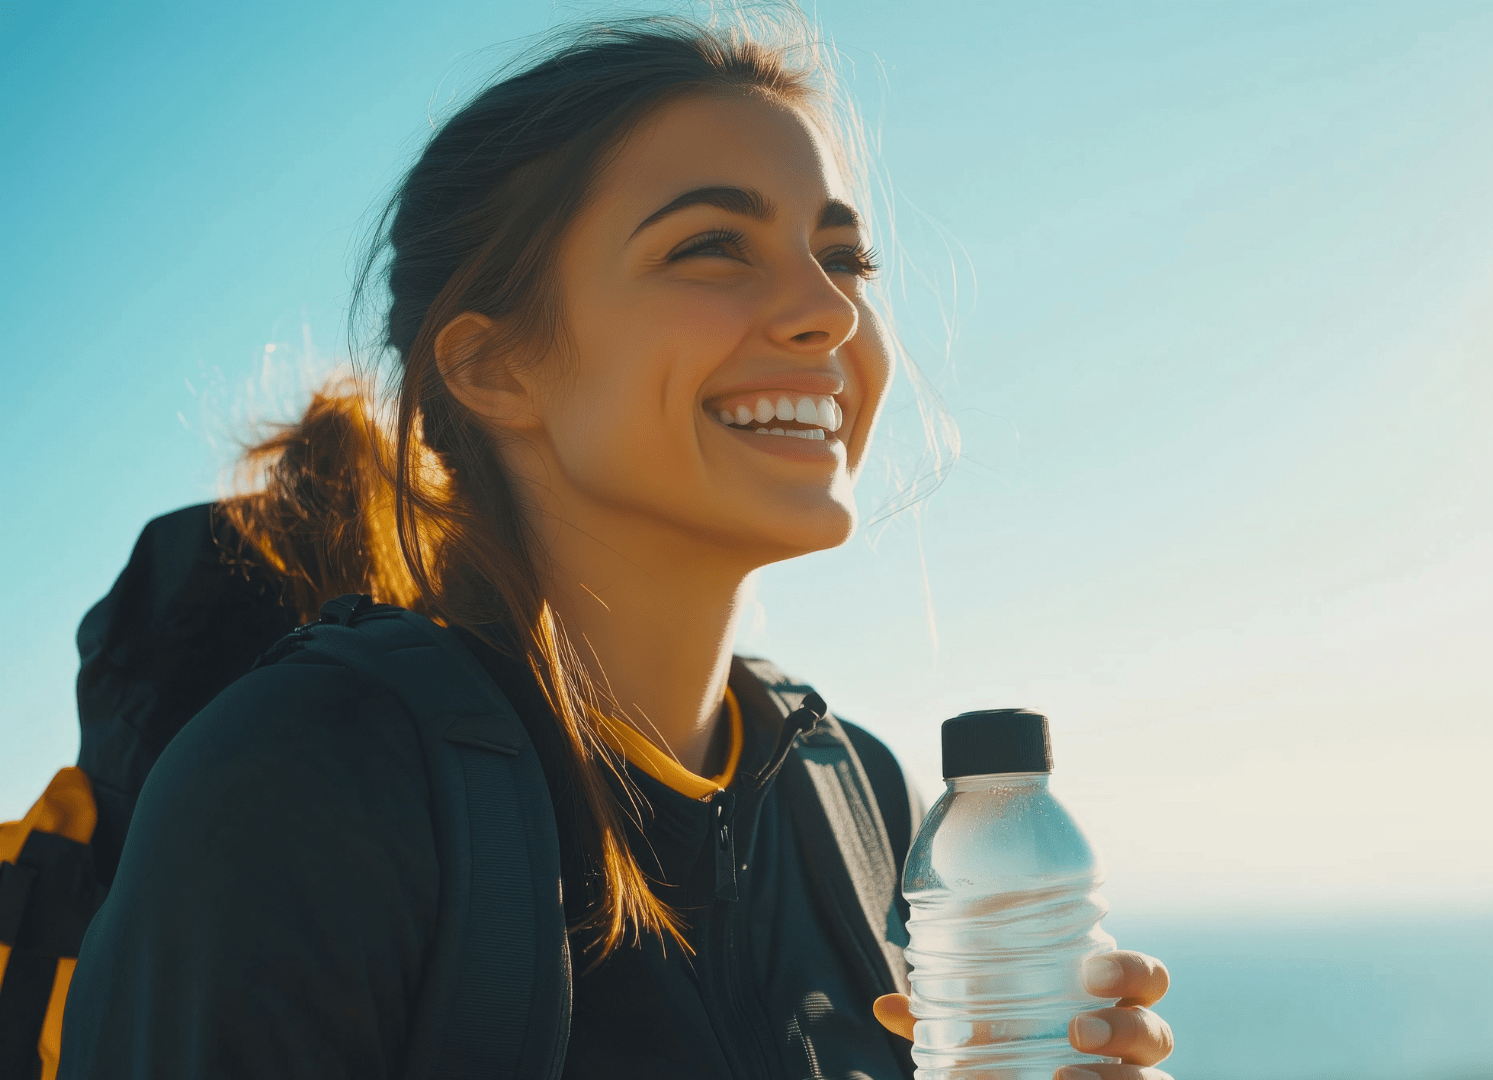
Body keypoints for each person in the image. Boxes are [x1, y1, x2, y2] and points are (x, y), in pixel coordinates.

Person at [56, 15, 1177, 1080]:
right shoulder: (307, 782)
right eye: (711, 247)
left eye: (845, 257)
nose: (828, 310)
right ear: (498, 368)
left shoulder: (855, 795)